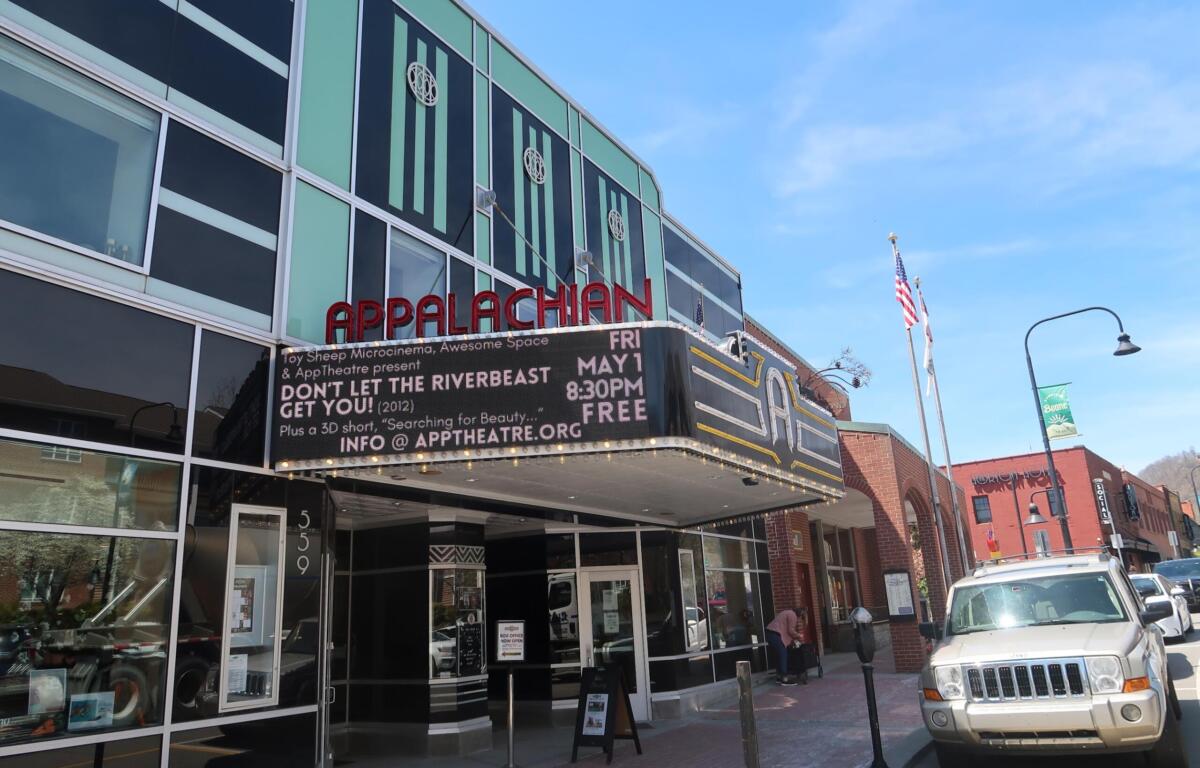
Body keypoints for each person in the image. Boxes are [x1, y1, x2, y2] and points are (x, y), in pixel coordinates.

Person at [766, 606, 806, 685]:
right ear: (800, 613)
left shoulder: (787, 612)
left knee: (779, 655)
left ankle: (779, 677)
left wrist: (793, 639)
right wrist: (799, 636)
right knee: (783, 654)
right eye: (802, 616)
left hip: (770, 633)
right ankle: (784, 679)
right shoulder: (793, 615)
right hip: (775, 635)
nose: (800, 618)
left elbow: (785, 630)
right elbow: (790, 631)